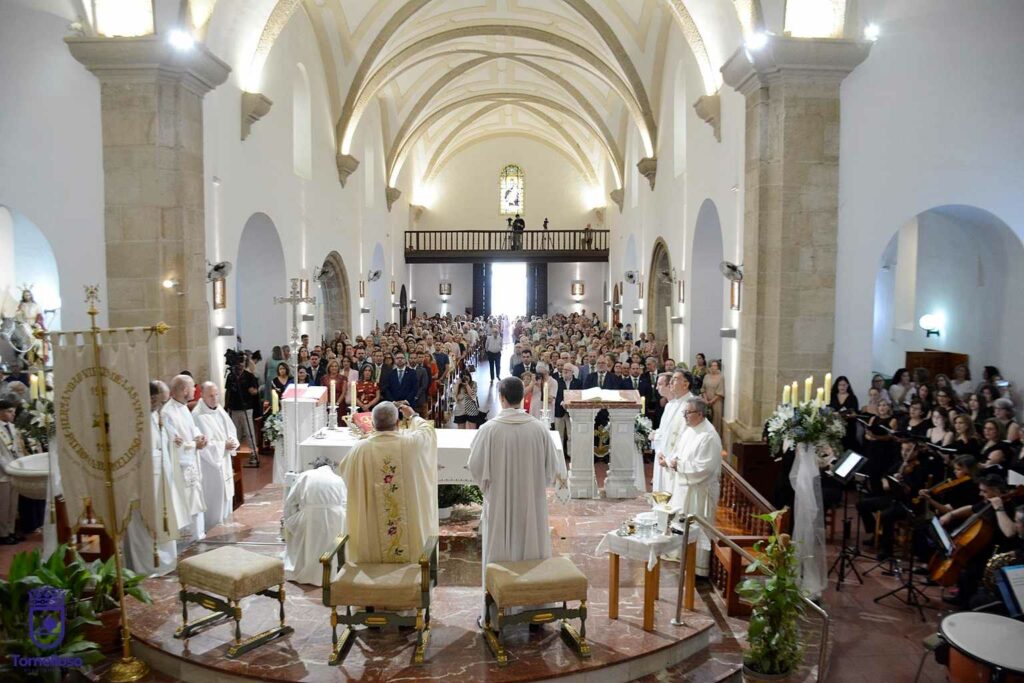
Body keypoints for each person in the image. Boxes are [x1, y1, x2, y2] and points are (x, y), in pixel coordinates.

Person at [468, 377, 567, 622]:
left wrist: (489, 486)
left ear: (501, 398)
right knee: (531, 548)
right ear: (522, 397)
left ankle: (496, 612)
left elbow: (475, 466)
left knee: (500, 550)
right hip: (531, 504)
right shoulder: (539, 429)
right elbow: (551, 469)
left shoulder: (489, 429)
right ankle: (535, 610)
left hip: (500, 502)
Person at [338, 402, 437, 563]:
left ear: (372, 424)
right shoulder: (411, 443)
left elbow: (345, 472)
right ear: (398, 423)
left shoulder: (361, 449)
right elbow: (426, 432)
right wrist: (412, 415)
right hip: (410, 551)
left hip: (372, 533)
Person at [123, 381, 182, 575]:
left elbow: (163, 446)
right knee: (145, 526)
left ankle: (165, 563)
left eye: (159, 399)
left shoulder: (155, 417)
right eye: (157, 399)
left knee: (162, 523)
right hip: (143, 484)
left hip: (161, 481)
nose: (159, 403)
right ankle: (146, 567)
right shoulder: (133, 421)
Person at [665, 396, 723, 576]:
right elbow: (680, 452)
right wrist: (671, 461)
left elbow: (704, 468)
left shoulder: (709, 436)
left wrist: (678, 465)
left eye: (687, 413)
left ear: (699, 413)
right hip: (686, 487)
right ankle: (684, 561)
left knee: (698, 529)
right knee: (683, 526)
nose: (684, 416)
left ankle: (698, 571)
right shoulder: (692, 429)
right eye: (684, 412)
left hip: (700, 491)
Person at [283, 456, 347, 585]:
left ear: (315, 466)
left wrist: (290, 519)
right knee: (331, 544)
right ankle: (329, 572)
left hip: (310, 516)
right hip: (336, 518)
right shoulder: (338, 479)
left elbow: (290, 502)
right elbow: (345, 504)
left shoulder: (305, 475)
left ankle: (305, 570)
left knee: (302, 539)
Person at [161, 374, 208, 541]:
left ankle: (199, 537)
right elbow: (173, 443)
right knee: (186, 504)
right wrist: (195, 445)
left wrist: (200, 437)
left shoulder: (182, 407)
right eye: (192, 387)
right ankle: (190, 543)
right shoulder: (167, 413)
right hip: (181, 467)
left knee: (195, 502)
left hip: (191, 463)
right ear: (184, 389)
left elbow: (191, 429)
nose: (195, 390)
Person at [192, 382, 239, 529]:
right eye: (211, 396)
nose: (214, 398)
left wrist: (232, 441)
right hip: (210, 465)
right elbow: (202, 444)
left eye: (216, 395)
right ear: (202, 396)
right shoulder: (198, 415)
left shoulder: (219, 410)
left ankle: (225, 525)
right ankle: (213, 530)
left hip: (223, 460)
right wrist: (222, 446)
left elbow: (231, 430)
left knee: (226, 497)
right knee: (214, 499)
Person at [0, 398, 26, 544]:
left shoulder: (12, 427)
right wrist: (9, 468)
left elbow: (17, 449)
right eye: (10, 412)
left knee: (13, 505)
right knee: (3, 506)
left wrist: (20, 465)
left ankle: (11, 530)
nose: (13, 415)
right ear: (0, 412)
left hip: (15, 471)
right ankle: (3, 534)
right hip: (3, 474)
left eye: (14, 412)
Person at [225, 356, 260, 455]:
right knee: (235, 432)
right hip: (234, 408)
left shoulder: (249, 376)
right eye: (238, 362)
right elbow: (228, 391)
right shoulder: (231, 376)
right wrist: (226, 405)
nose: (240, 364)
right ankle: (235, 454)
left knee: (249, 432)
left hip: (246, 408)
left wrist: (252, 391)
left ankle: (253, 453)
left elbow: (255, 391)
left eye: (242, 362)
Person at [701, 360, 725, 434]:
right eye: (712, 365)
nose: (713, 367)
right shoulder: (706, 376)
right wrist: (705, 399)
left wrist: (711, 401)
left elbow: (720, 392)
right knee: (706, 419)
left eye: (715, 365)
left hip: (717, 402)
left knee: (716, 421)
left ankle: (715, 437)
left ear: (718, 367)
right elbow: (703, 388)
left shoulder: (721, 377)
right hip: (706, 401)